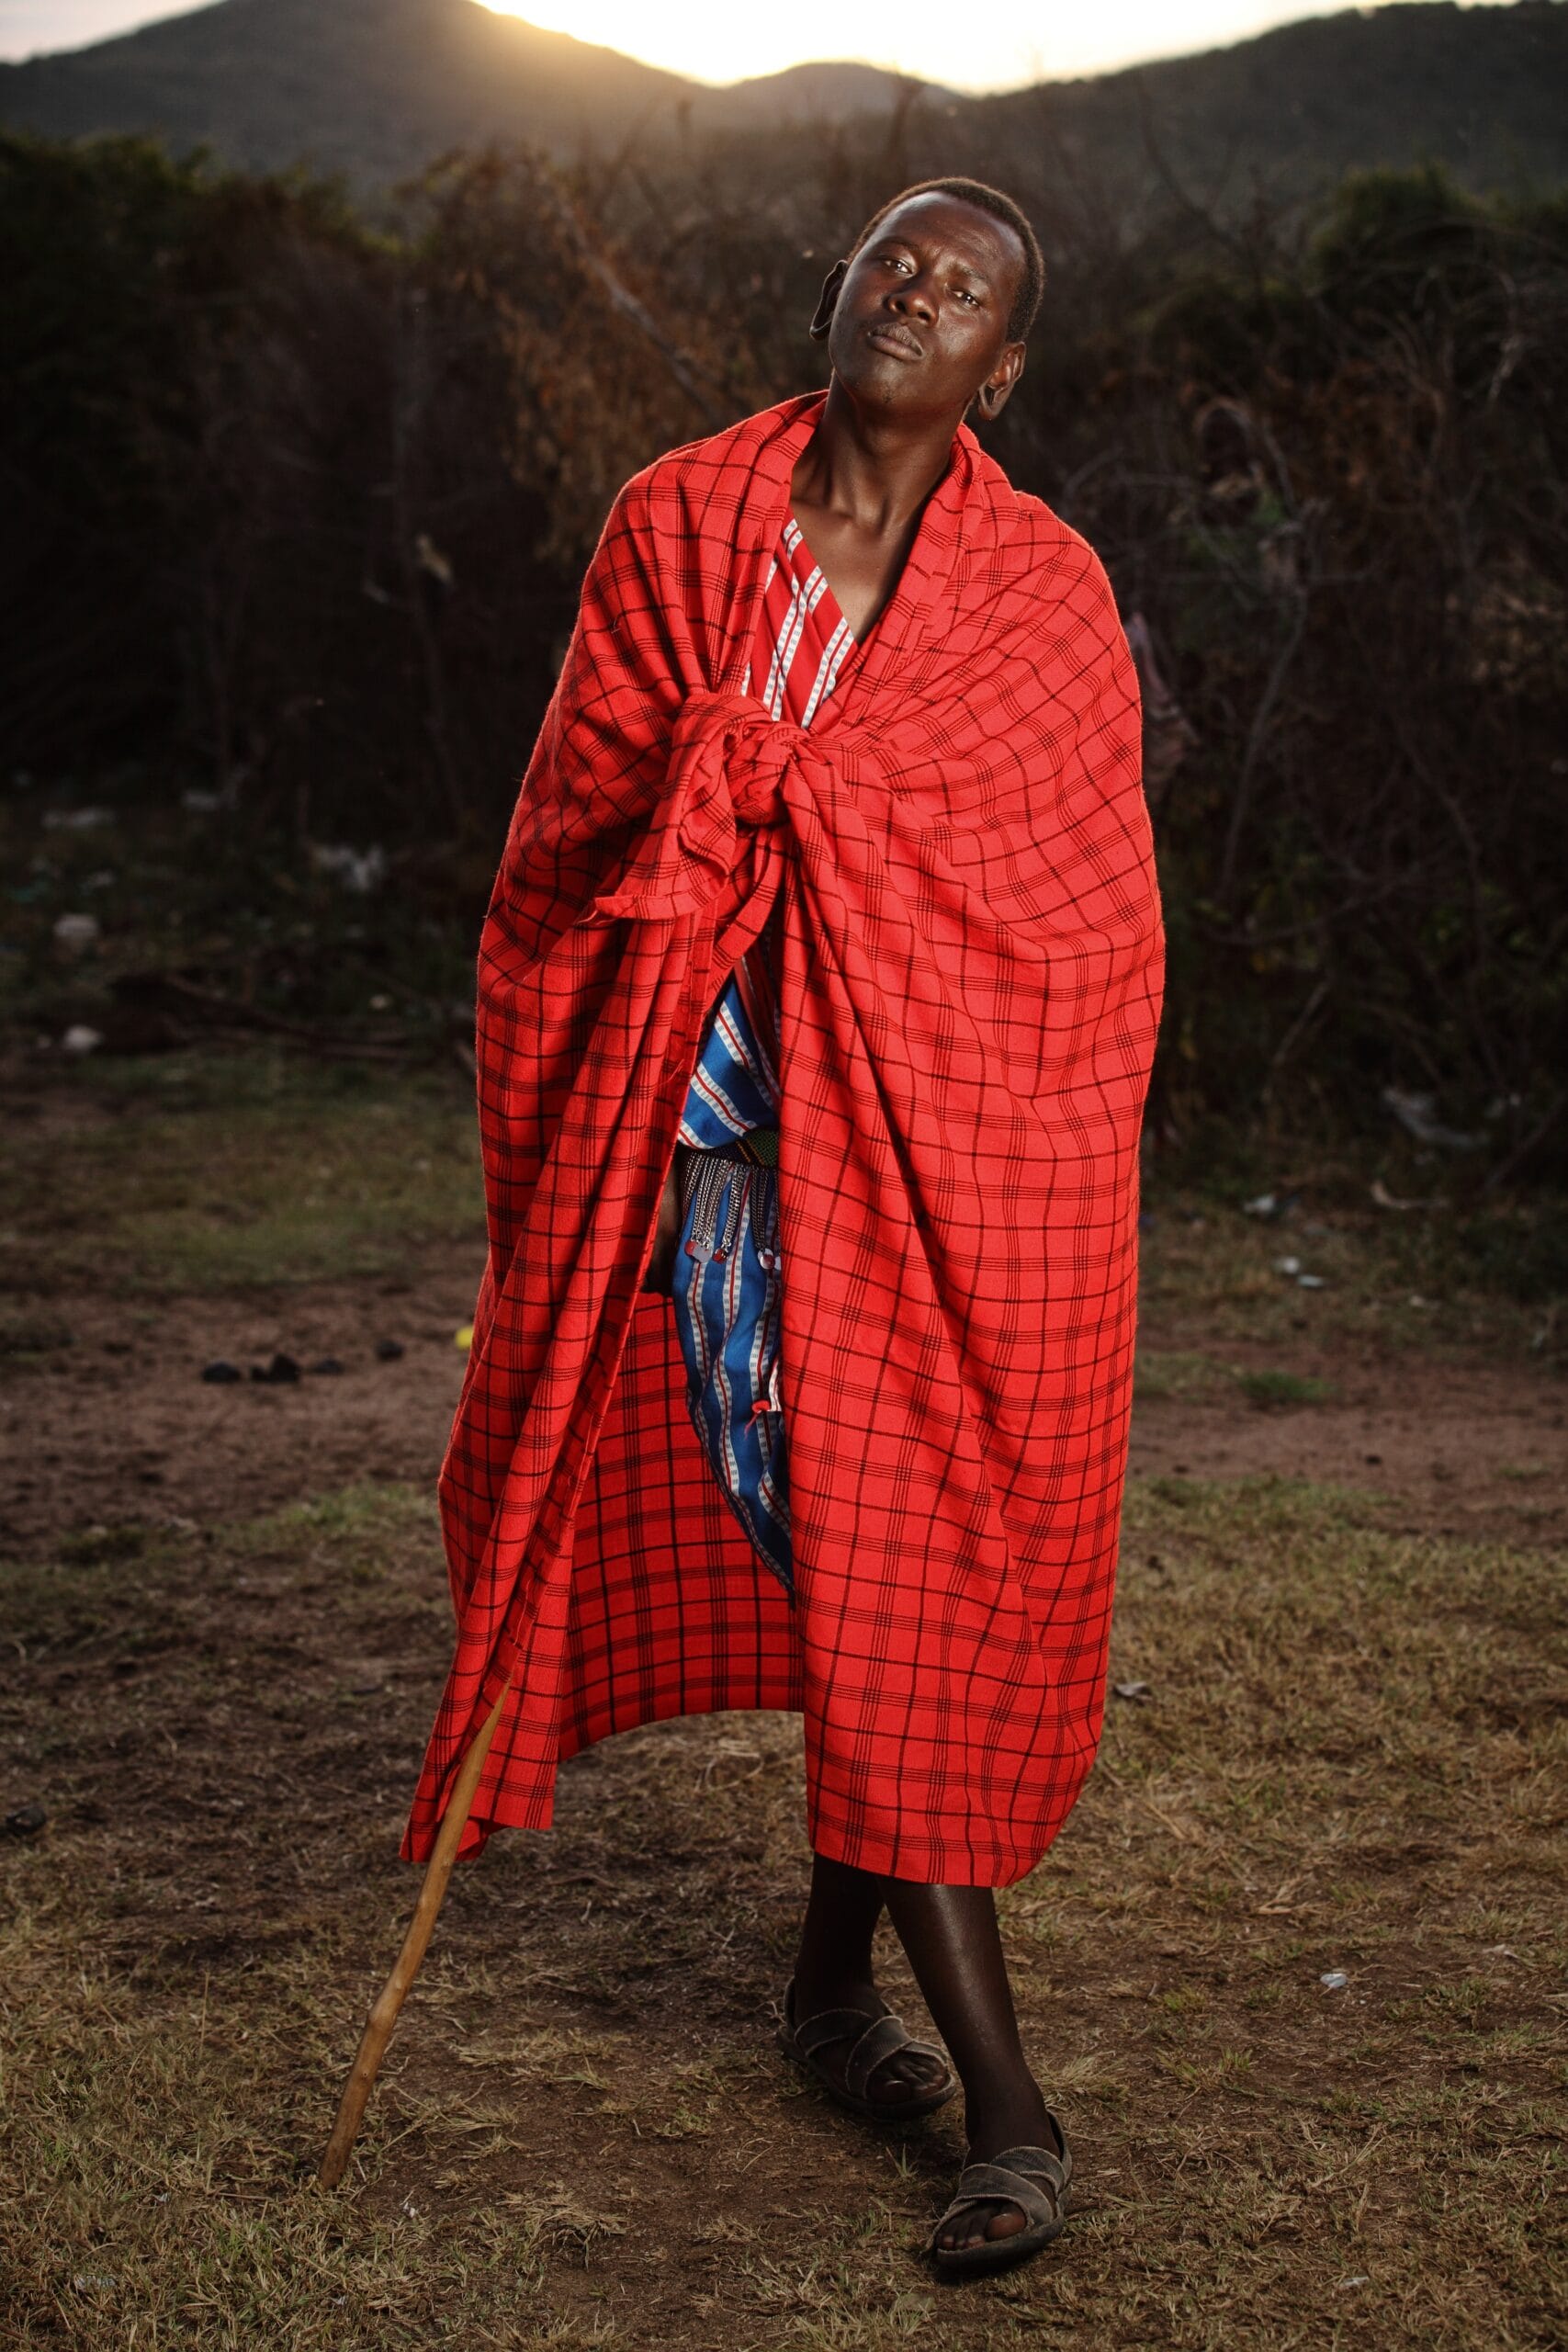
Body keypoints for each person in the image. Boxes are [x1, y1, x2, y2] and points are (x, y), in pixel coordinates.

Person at [406, 177, 1164, 2276]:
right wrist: (725, 798)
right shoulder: (677, 525)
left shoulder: (1039, 591)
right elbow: (572, 831)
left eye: (964, 289)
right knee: (855, 1545)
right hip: (724, 1139)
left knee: (883, 1554)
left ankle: (856, 2008)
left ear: (1000, 370)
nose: (916, 294)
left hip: (942, 1144)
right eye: (892, 260)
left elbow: (1079, 906)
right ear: (838, 289)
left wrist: (820, 813)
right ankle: (994, 2102)